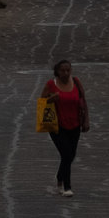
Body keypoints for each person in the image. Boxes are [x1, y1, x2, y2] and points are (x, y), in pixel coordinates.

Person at [38, 59, 88, 196]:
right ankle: (67, 187)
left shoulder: (76, 82)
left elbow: (83, 100)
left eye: (68, 70)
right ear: (57, 72)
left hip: (75, 125)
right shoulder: (50, 84)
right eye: (63, 70)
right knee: (66, 154)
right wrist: (50, 100)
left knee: (70, 155)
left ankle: (60, 177)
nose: (66, 73)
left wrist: (86, 121)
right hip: (57, 126)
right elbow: (41, 103)